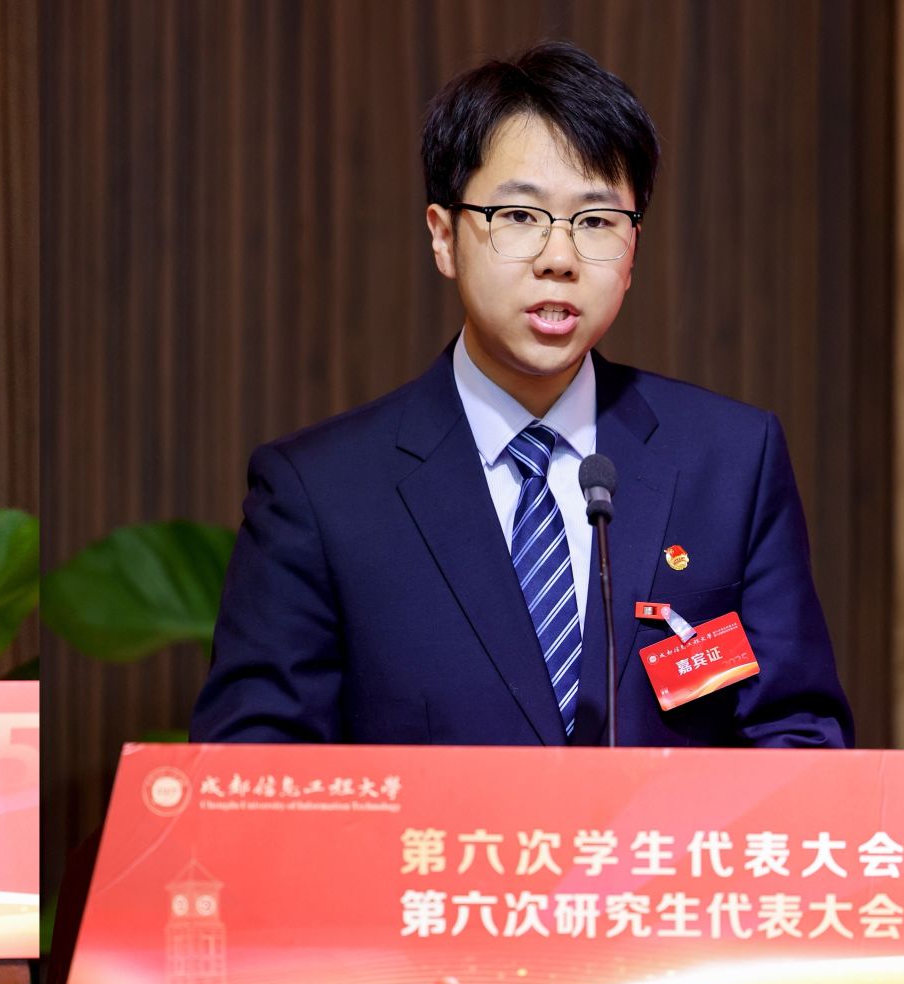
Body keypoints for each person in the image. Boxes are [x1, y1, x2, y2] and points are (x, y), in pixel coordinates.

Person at [192, 41, 851, 748]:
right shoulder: (320, 494)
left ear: (633, 251)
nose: (558, 258)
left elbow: (798, 736)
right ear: (444, 237)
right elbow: (253, 773)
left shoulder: (730, 462)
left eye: (596, 222)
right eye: (519, 215)